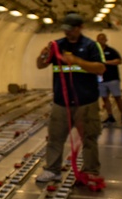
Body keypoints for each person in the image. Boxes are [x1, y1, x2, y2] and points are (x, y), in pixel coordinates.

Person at [34, 13, 106, 183]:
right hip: (61, 102)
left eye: (71, 29)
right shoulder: (57, 45)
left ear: (79, 28)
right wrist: (43, 55)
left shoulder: (91, 46)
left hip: (86, 102)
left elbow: (100, 68)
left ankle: (90, 171)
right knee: (55, 137)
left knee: (89, 137)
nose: (67, 33)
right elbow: (40, 65)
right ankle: (52, 170)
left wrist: (77, 61)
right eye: (65, 29)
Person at [96, 33, 122, 125]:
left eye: (103, 39)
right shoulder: (95, 52)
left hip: (113, 79)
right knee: (105, 98)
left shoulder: (111, 51)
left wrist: (106, 62)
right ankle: (110, 116)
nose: (101, 41)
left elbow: (119, 60)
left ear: (106, 40)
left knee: (117, 97)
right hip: (101, 79)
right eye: (99, 39)